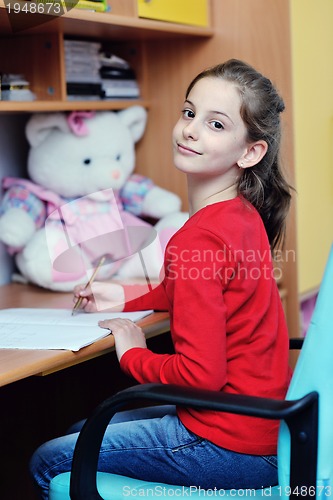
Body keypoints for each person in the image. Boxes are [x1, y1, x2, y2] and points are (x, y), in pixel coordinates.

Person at [30, 59, 293, 498]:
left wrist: (133, 353)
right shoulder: (241, 216)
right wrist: (127, 296)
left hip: (228, 445)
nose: (190, 129)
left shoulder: (198, 238)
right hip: (264, 429)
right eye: (189, 113)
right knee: (83, 427)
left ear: (250, 152)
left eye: (215, 124)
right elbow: (202, 288)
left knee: (49, 460)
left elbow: (199, 376)